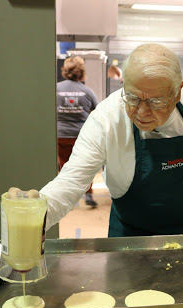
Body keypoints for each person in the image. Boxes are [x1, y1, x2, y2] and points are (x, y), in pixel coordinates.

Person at [40, 44, 183, 237]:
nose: (142, 112)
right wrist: (33, 215)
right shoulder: (106, 119)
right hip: (131, 235)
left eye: (156, 101)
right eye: (133, 98)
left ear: (177, 92)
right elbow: (71, 181)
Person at [57, 56, 100, 207]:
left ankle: (66, 198)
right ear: (81, 72)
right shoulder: (87, 91)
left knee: (65, 166)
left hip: (60, 135)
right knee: (85, 165)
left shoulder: (56, 88)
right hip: (81, 135)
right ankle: (88, 195)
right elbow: (98, 111)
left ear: (65, 71)